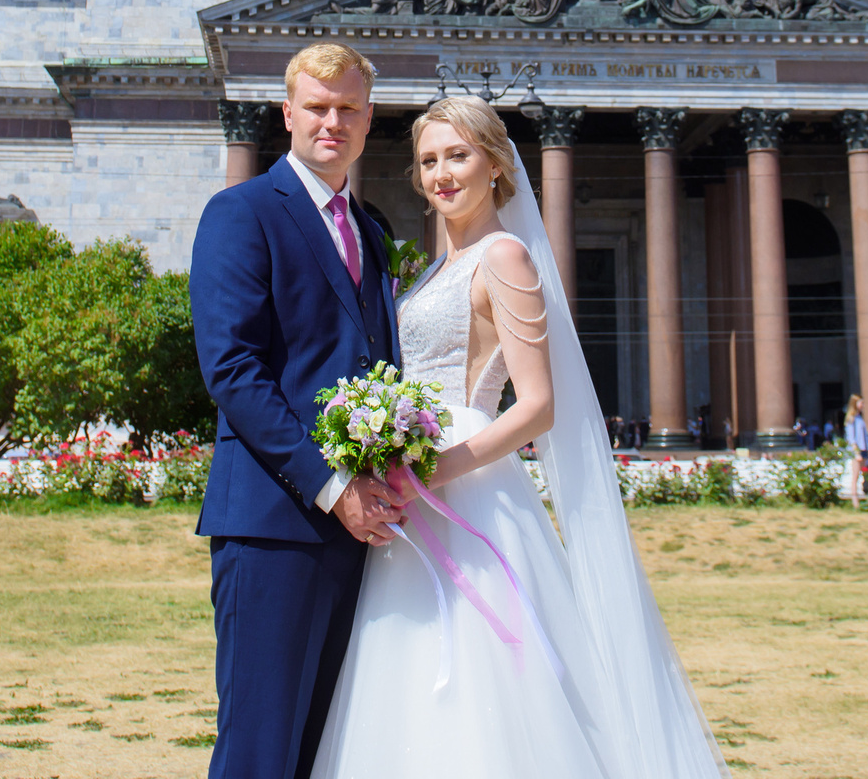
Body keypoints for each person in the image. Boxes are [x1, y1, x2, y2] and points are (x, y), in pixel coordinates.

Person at [312, 95, 729, 779]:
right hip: (415, 478)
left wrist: (435, 469)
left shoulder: (504, 255)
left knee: (487, 671)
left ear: (495, 163)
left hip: (467, 480)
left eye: (458, 155)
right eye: (428, 161)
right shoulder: (440, 266)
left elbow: (536, 405)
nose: (442, 173)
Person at [191, 43, 403, 779]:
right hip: (274, 526)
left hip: (361, 533)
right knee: (259, 749)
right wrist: (334, 485)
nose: (332, 122)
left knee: (323, 750)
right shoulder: (241, 212)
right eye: (317, 107)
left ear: (369, 119)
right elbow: (233, 372)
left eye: (348, 109)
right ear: (287, 113)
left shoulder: (370, 230)